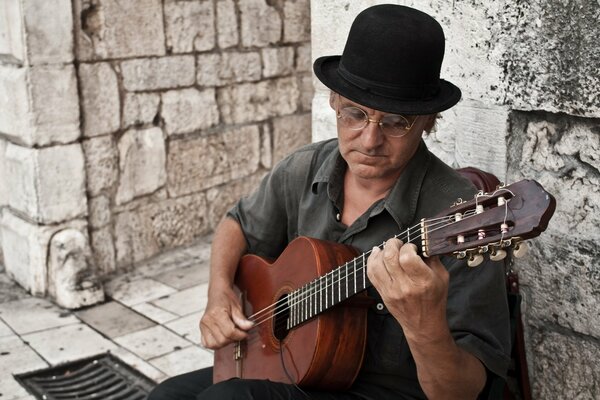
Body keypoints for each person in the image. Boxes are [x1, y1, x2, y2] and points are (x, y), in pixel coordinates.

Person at [148, 4, 511, 400]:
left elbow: (462, 393)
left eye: (394, 122)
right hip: (296, 369)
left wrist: (425, 326)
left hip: (388, 392)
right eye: (355, 114)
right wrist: (219, 291)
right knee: (167, 396)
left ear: (428, 121)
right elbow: (237, 223)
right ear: (334, 102)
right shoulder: (306, 167)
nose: (370, 140)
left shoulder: (461, 217)